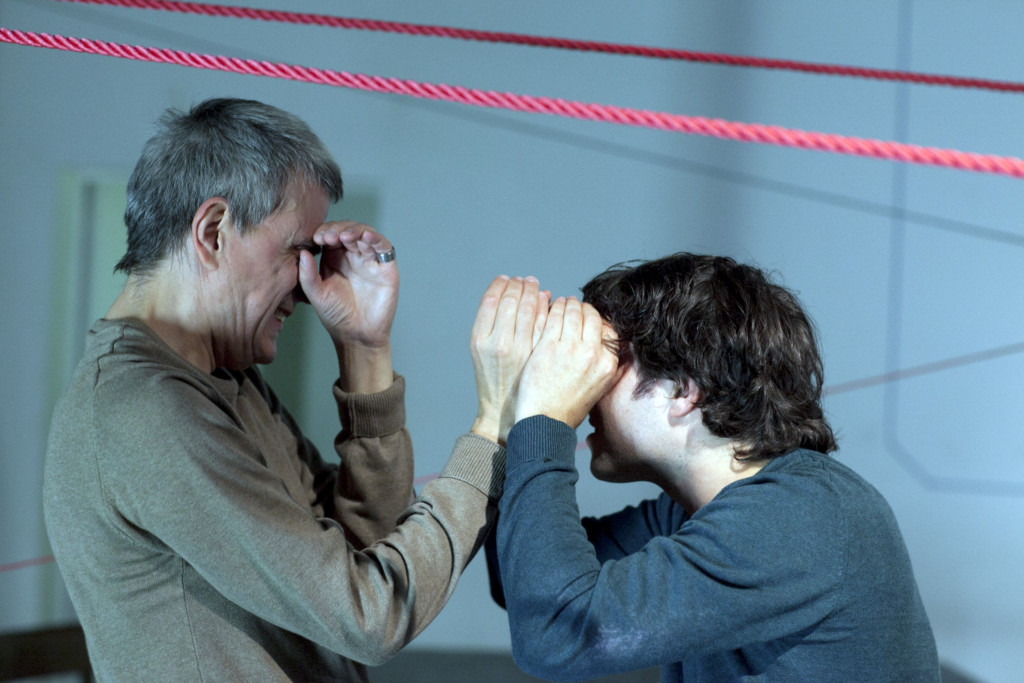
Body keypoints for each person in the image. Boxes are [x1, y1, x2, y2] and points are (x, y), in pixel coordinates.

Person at [43, 97, 547, 681]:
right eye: (298, 252)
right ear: (212, 231)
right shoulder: (142, 408)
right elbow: (370, 616)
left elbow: (366, 552)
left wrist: (364, 349)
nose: (311, 285)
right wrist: (492, 430)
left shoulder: (223, 379)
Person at [488, 253, 940, 682]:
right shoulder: (703, 510)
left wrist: (543, 418)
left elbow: (556, 633)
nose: (587, 387)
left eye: (613, 362)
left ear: (685, 389)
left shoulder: (800, 515)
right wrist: (505, 412)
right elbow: (526, 585)